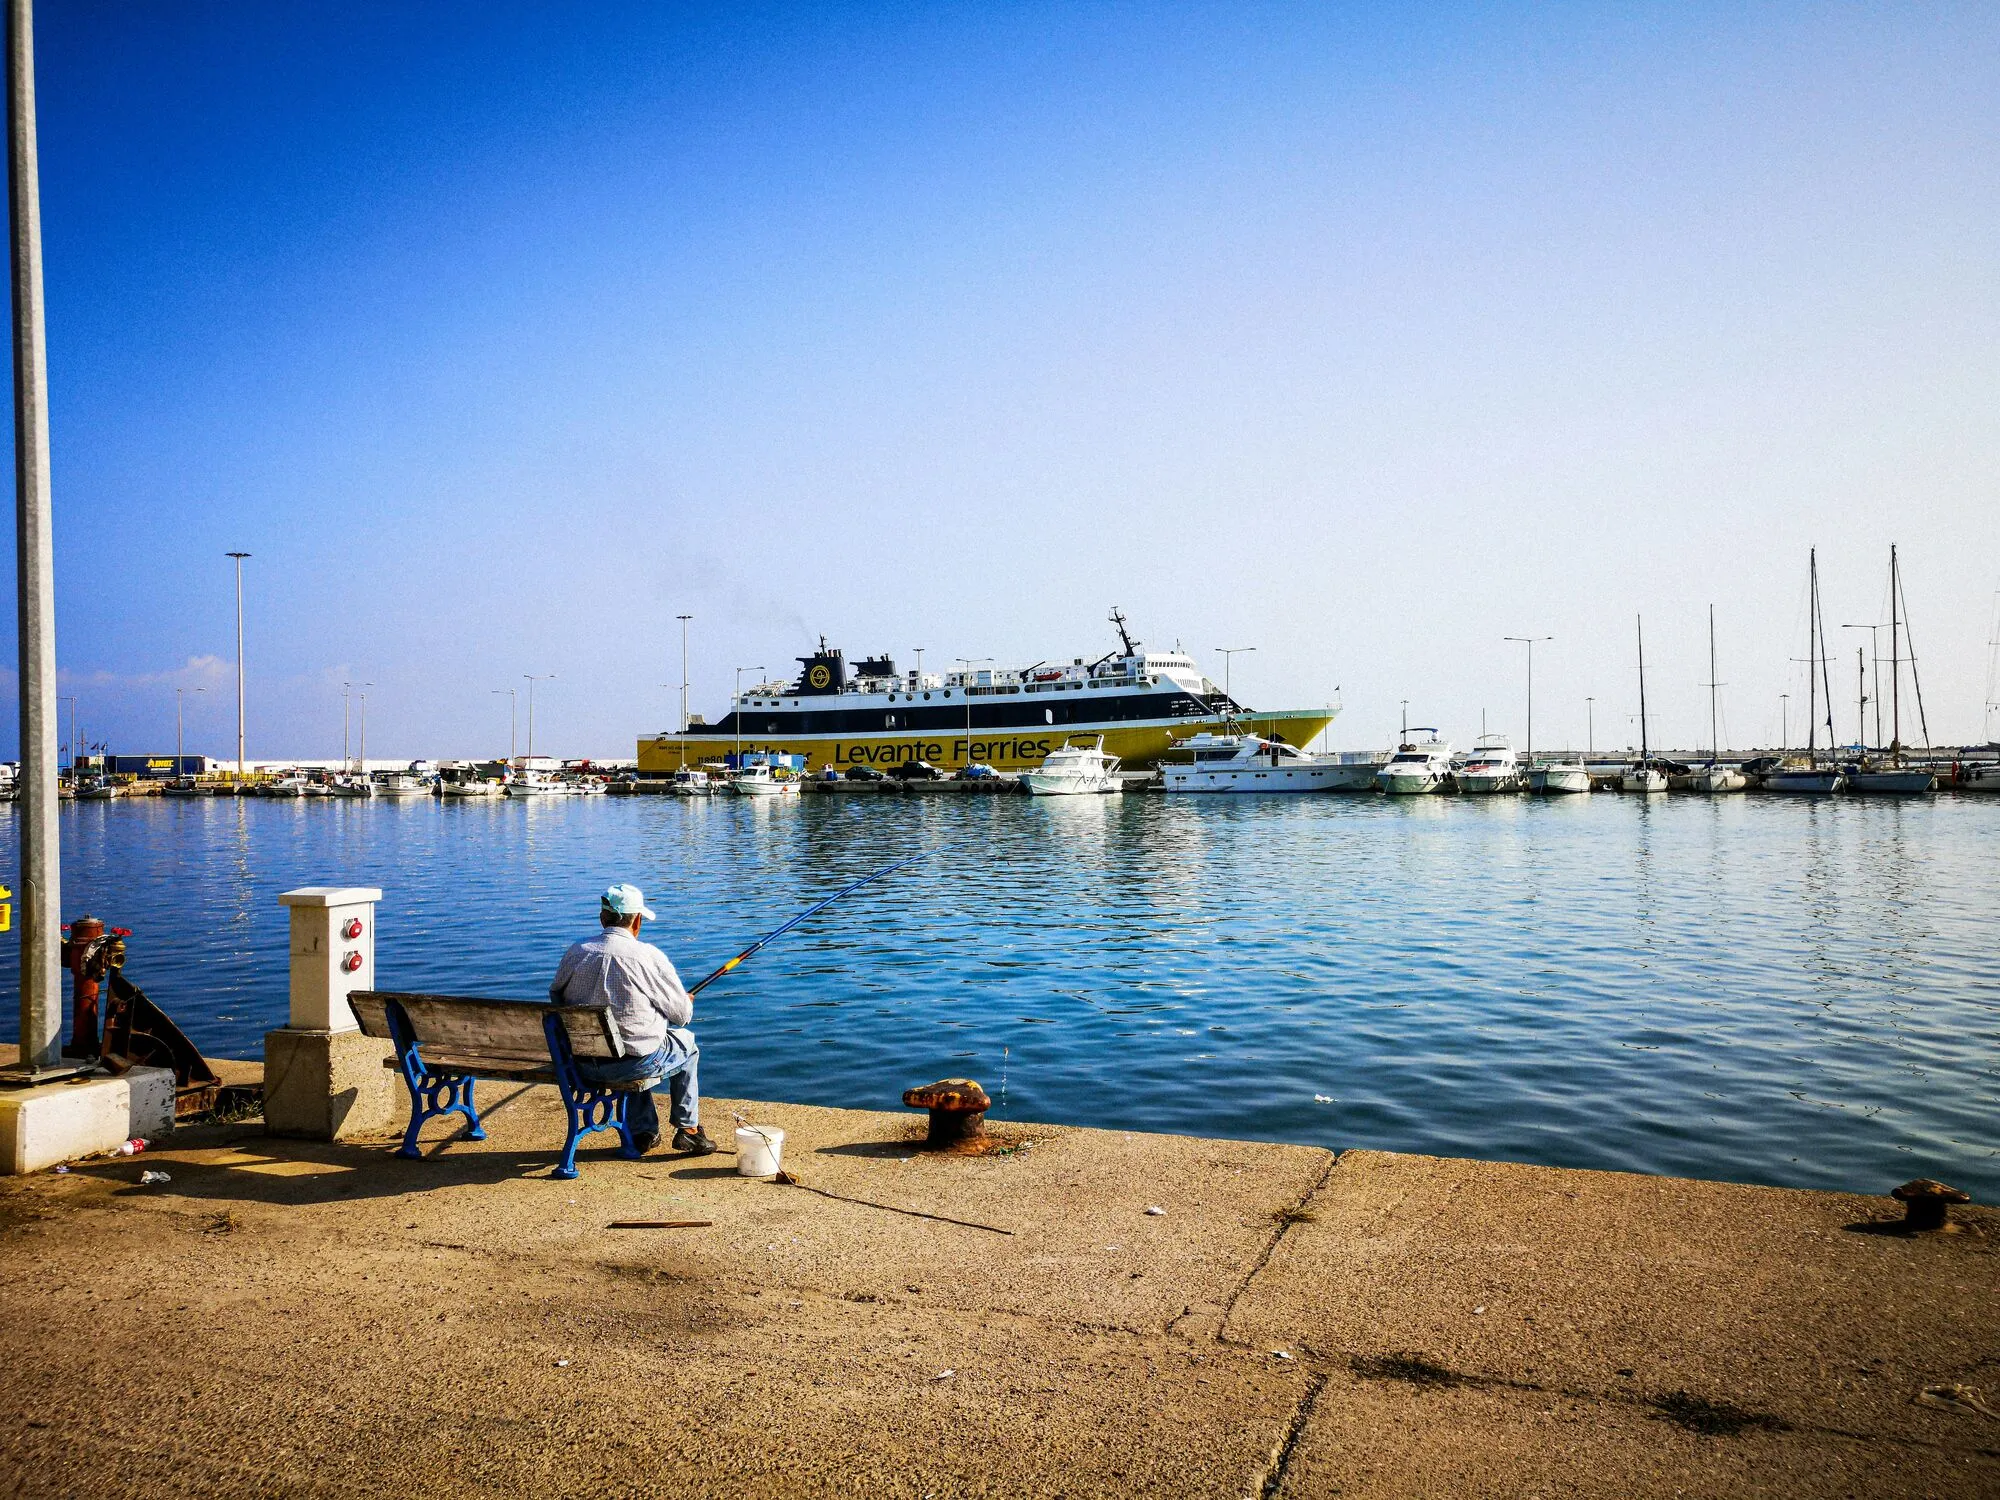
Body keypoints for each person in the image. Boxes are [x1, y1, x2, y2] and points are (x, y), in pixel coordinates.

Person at [548, 882, 715, 1155]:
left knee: (631, 1041)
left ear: (603, 917)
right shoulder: (647, 957)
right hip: (629, 1065)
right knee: (686, 1044)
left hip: (578, 1064)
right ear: (637, 920)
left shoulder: (576, 952)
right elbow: (682, 1016)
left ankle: (644, 1131)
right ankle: (689, 1129)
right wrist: (684, 1001)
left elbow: (556, 998)